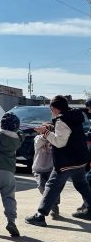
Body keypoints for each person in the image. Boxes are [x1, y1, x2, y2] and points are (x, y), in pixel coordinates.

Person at [25, 95, 91, 227]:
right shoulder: (74, 116)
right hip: (80, 159)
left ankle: (40, 215)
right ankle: (90, 210)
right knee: (81, 184)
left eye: (51, 110)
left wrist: (45, 133)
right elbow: (69, 135)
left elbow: (60, 142)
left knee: (51, 186)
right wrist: (51, 129)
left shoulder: (61, 120)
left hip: (66, 161)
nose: (51, 113)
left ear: (55, 109)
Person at [32, 133, 58, 218]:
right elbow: (38, 143)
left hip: (51, 168)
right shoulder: (38, 138)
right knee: (41, 186)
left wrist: (52, 136)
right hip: (38, 168)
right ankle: (52, 204)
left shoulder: (55, 139)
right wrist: (45, 135)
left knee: (53, 188)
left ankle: (54, 207)